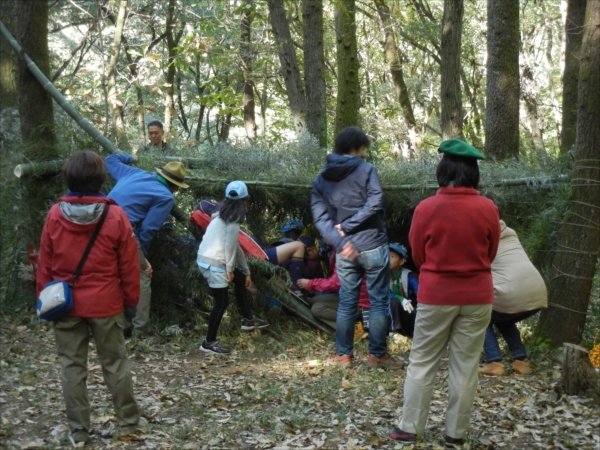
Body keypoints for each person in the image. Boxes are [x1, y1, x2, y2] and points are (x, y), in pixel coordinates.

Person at [388, 139, 500, 448]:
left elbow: (418, 255)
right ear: (472, 173)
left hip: (437, 294)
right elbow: (490, 253)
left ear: (443, 170)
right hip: (478, 296)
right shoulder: (488, 207)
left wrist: (438, 270)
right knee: (465, 365)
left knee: (423, 361)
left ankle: (409, 429)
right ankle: (456, 434)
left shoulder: (427, 207)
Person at [36, 151, 146, 444]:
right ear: (101, 177)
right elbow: (129, 266)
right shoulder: (115, 214)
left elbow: (44, 263)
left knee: (72, 366)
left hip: (65, 304)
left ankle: (79, 430)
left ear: (68, 176)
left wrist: (43, 301)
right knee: (115, 364)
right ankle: (129, 422)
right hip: (106, 304)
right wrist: (131, 301)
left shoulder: (55, 214)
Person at [311, 126, 402, 369]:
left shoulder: (321, 179)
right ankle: (378, 355)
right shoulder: (365, 169)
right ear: (356, 148)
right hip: (372, 244)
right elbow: (375, 202)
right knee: (379, 302)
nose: (364, 153)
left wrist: (341, 240)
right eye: (363, 149)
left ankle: (344, 356)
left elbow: (321, 220)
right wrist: (350, 226)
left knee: (347, 302)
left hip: (345, 251)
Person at [106, 154, 189, 337]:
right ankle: (141, 330)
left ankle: (109, 326)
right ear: (175, 186)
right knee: (142, 275)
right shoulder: (165, 196)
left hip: (97, 225)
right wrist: (143, 257)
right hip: (123, 231)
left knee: (109, 274)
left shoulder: (133, 172)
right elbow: (148, 229)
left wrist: (131, 157)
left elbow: (110, 160)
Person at [196, 181, 269, 354]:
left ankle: (248, 319)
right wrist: (229, 270)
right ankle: (209, 343)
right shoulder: (233, 219)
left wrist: (245, 271)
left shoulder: (221, 216)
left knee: (241, 280)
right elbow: (229, 248)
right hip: (214, 263)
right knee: (221, 303)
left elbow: (234, 246)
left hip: (208, 259)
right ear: (245, 201)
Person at [479, 219, 547, 376]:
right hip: (537, 291)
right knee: (503, 318)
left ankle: (494, 362)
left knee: (479, 316)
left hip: (512, 294)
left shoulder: (482, 238)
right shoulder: (509, 233)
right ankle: (521, 361)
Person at [388, 243, 419, 338]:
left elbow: (418, 289)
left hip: (406, 305)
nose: (388, 259)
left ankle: (410, 332)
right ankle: (395, 331)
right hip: (388, 307)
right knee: (394, 302)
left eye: (392, 256)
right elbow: (382, 293)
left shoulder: (407, 274)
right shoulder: (383, 275)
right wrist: (399, 298)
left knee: (414, 309)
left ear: (401, 261)